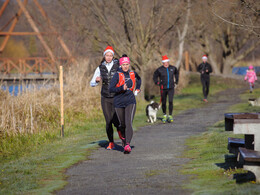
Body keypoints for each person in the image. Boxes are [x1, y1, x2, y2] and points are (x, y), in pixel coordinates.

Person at [90, 46, 123, 150]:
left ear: (113, 56)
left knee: (116, 121)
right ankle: (111, 142)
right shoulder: (100, 68)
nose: (108, 57)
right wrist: (96, 80)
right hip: (105, 97)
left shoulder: (118, 66)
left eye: (110, 55)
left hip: (116, 96)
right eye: (107, 55)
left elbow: (125, 76)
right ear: (104, 56)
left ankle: (121, 134)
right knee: (108, 121)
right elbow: (91, 83)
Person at [109, 55, 141, 153]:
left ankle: (127, 144)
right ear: (121, 65)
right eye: (124, 65)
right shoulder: (117, 75)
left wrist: (137, 88)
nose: (125, 66)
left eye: (127, 64)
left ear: (129, 64)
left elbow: (139, 79)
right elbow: (111, 89)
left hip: (130, 101)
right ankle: (123, 137)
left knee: (128, 123)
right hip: (119, 102)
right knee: (122, 124)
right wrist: (121, 88)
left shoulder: (132, 73)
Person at [153, 55, 179, 123]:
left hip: (171, 88)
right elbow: (155, 76)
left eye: (167, 62)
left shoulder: (173, 68)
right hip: (163, 88)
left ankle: (170, 115)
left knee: (170, 101)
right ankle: (164, 115)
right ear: (163, 63)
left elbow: (177, 73)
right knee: (163, 102)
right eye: (165, 62)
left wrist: (176, 80)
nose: (166, 63)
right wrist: (157, 82)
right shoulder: (160, 69)